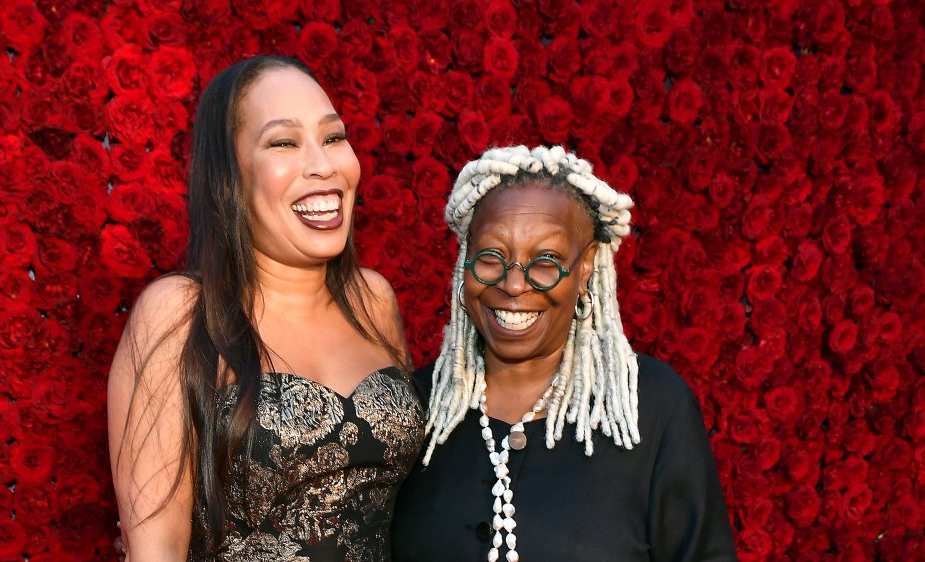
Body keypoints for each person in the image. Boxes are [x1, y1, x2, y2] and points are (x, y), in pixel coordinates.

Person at [107, 55, 424, 562]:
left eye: (334, 137)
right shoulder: (180, 314)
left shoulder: (373, 300)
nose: (323, 165)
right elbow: (156, 549)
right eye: (283, 142)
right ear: (228, 177)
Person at [392, 145, 737, 561]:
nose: (514, 285)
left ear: (586, 266)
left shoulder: (653, 409)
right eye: (491, 257)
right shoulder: (416, 408)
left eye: (546, 260)